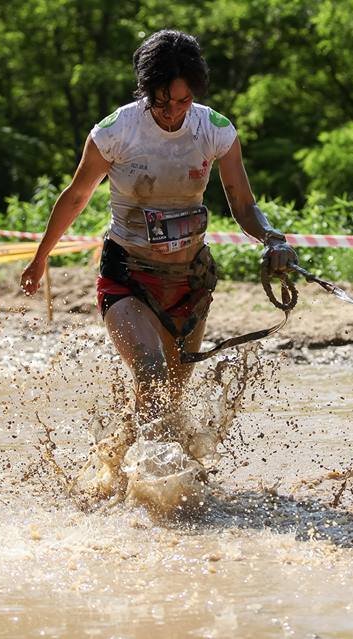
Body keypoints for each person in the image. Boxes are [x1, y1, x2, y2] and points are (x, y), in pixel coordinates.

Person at [20, 29, 296, 430]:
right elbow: (76, 196)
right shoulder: (115, 131)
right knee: (150, 374)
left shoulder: (215, 129)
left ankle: (151, 473)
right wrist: (39, 259)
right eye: (162, 101)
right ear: (146, 90)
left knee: (171, 398)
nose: (172, 111)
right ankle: (142, 487)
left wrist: (274, 239)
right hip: (128, 277)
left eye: (183, 100)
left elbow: (243, 204)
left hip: (190, 283)